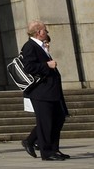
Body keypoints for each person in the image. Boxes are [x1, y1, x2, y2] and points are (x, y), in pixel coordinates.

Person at [19, 20, 69, 161]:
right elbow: (28, 67)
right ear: (38, 32)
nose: (47, 32)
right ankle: (47, 152)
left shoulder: (40, 46)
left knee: (58, 119)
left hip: (51, 90)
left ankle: (52, 148)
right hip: (41, 91)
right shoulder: (29, 46)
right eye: (45, 30)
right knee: (46, 122)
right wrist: (47, 64)